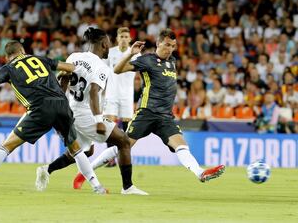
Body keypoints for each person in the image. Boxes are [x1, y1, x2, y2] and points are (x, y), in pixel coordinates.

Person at [73, 29, 225, 191]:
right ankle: (85, 172)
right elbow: (117, 70)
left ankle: (200, 173)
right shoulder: (147, 60)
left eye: (173, 46)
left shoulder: (172, 61)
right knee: (122, 148)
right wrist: (131, 53)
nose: (170, 49)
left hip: (165, 117)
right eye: (167, 45)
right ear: (158, 43)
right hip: (146, 113)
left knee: (181, 146)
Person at [0, 40, 107, 194]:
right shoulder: (40, 59)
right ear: (23, 50)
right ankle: (97, 187)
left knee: (7, 146)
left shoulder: (10, 68)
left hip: (40, 108)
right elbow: (71, 68)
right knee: (76, 150)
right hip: (62, 104)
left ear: (8, 57)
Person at [35, 28, 147, 195]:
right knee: (123, 141)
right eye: (108, 43)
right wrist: (98, 120)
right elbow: (94, 91)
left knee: (86, 151)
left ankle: (46, 169)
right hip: (86, 113)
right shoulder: (101, 66)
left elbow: (63, 80)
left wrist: (59, 108)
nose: (109, 47)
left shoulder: (74, 56)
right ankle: (128, 187)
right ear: (103, 44)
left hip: (71, 109)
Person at [103, 27, 138, 167]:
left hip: (127, 96)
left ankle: (124, 156)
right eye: (121, 36)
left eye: (126, 37)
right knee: (109, 126)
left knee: (127, 129)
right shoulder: (110, 53)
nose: (123, 39)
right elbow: (103, 73)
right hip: (111, 94)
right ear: (117, 39)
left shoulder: (135, 54)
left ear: (130, 39)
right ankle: (109, 159)